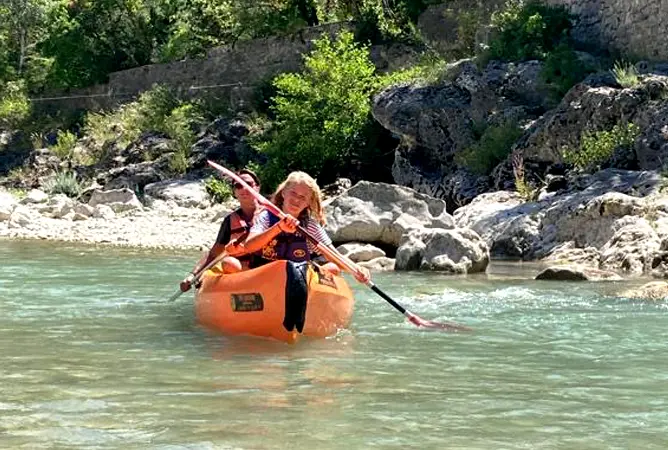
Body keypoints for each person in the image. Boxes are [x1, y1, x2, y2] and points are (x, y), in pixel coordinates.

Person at [231, 171, 370, 283]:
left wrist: (356, 269)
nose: (297, 200)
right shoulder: (266, 217)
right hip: (264, 275)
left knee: (333, 268)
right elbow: (249, 246)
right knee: (229, 264)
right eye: (293, 193)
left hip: (297, 279)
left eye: (303, 198)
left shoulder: (309, 226)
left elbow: (333, 255)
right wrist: (278, 228)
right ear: (284, 193)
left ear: (308, 203)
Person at [180, 168, 261, 292]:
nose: (243, 189)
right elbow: (214, 254)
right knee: (228, 263)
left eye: (248, 184)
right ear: (235, 192)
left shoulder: (271, 216)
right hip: (239, 271)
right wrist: (192, 275)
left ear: (257, 188)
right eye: (238, 186)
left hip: (266, 269)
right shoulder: (230, 221)